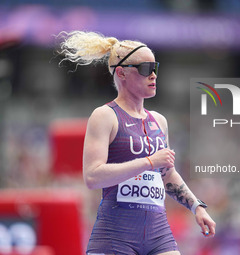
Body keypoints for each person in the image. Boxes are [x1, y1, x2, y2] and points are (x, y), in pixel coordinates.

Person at [59, 31, 216, 255]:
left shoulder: (159, 121)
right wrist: (149, 161)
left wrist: (196, 206)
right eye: (145, 69)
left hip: (157, 233)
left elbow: (167, 174)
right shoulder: (105, 116)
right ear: (121, 73)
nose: (153, 75)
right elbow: (92, 177)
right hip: (115, 235)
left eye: (155, 68)